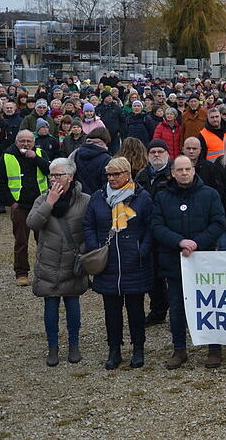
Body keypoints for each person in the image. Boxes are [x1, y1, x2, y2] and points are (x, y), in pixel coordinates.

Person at [150, 155, 226, 369]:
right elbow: (156, 226)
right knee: (176, 306)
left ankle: (214, 349)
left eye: (188, 169)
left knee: (210, 304)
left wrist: (196, 242)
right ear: (173, 173)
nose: (184, 173)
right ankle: (179, 349)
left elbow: (219, 222)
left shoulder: (210, 195)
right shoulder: (163, 197)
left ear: (194, 170)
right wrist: (179, 242)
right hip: (175, 260)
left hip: (204, 261)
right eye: (180, 170)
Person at [83, 157, 154, 370]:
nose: (111, 178)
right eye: (109, 175)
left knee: (136, 309)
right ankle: (114, 348)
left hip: (135, 261)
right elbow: (88, 224)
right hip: (109, 262)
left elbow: (151, 226)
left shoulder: (142, 198)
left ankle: (138, 347)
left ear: (127, 174)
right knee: (111, 310)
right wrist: (95, 247)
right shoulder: (98, 197)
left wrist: (143, 249)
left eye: (116, 174)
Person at [26, 157, 90, 366]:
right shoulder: (42, 199)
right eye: (51, 175)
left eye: (58, 175)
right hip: (49, 262)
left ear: (70, 177)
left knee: (72, 305)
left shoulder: (85, 200)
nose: (53, 179)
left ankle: (74, 345)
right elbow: (33, 223)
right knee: (50, 306)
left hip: (73, 262)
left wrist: (84, 252)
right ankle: (52, 347)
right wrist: (49, 203)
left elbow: (91, 229)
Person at [0, 130, 51, 285]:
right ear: (16, 142)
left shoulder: (40, 153)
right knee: (21, 241)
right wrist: (11, 202)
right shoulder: (7, 155)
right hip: (20, 205)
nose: (26, 144)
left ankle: (45, 271)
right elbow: (0, 181)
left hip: (40, 204)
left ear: (33, 142)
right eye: (22, 141)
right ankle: (21, 273)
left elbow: (50, 171)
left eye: (29, 141)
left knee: (44, 240)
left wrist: (36, 158)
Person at [135, 139, 173, 326]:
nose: (156, 155)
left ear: (167, 153)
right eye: (153, 152)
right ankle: (158, 310)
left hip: (169, 229)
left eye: (160, 151)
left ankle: (178, 310)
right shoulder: (141, 175)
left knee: (173, 274)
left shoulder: (173, 174)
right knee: (153, 274)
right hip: (147, 230)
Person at [73, 127, 112, 195]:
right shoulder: (106, 158)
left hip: (78, 196)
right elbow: (106, 184)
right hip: (97, 198)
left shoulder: (76, 153)